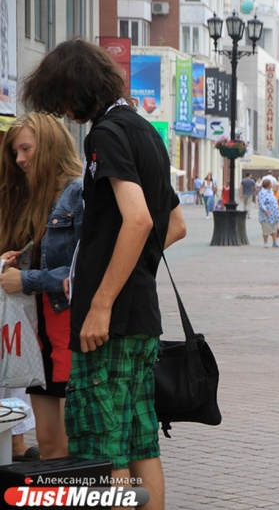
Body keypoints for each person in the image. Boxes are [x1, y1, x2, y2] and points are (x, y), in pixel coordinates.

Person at [21, 37, 187, 510]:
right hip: (141, 318)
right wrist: (125, 269)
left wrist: (101, 299)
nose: (63, 112)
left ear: (75, 89)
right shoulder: (145, 131)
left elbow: (139, 220)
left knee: (102, 450)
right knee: (140, 443)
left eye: (61, 99)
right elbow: (174, 223)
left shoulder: (107, 133)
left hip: (108, 323)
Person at [0, 113, 84, 460]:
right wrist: (18, 261)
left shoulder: (78, 194)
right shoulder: (38, 199)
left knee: (74, 448)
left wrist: (27, 279)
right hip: (41, 336)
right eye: (15, 152)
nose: (20, 159)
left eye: (25, 149)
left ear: (49, 145)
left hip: (70, 333)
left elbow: (84, 269)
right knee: (49, 447)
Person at [258, 178, 279, 248]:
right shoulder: (262, 193)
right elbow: (261, 203)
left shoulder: (271, 192)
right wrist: (265, 210)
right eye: (270, 184)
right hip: (267, 213)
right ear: (268, 185)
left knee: (274, 228)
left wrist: (277, 207)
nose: (272, 185)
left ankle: (275, 241)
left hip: (274, 213)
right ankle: (265, 242)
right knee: (266, 228)